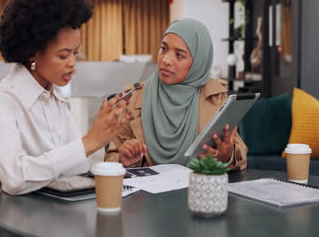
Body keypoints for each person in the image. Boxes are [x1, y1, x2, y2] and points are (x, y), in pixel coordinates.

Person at [0, 0, 130, 237]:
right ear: (32, 53)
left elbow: (75, 168)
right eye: (63, 55)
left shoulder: (55, 97)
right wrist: (89, 142)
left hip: (41, 211)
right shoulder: (1, 101)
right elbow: (14, 179)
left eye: (76, 54)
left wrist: (111, 158)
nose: (73, 64)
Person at [105, 18, 248, 169]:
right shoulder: (134, 98)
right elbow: (109, 158)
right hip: (147, 191)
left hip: (198, 187)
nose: (166, 60)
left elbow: (240, 156)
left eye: (179, 55)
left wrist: (226, 157)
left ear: (198, 62)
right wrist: (123, 159)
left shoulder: (217, 97)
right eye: (163, 48)